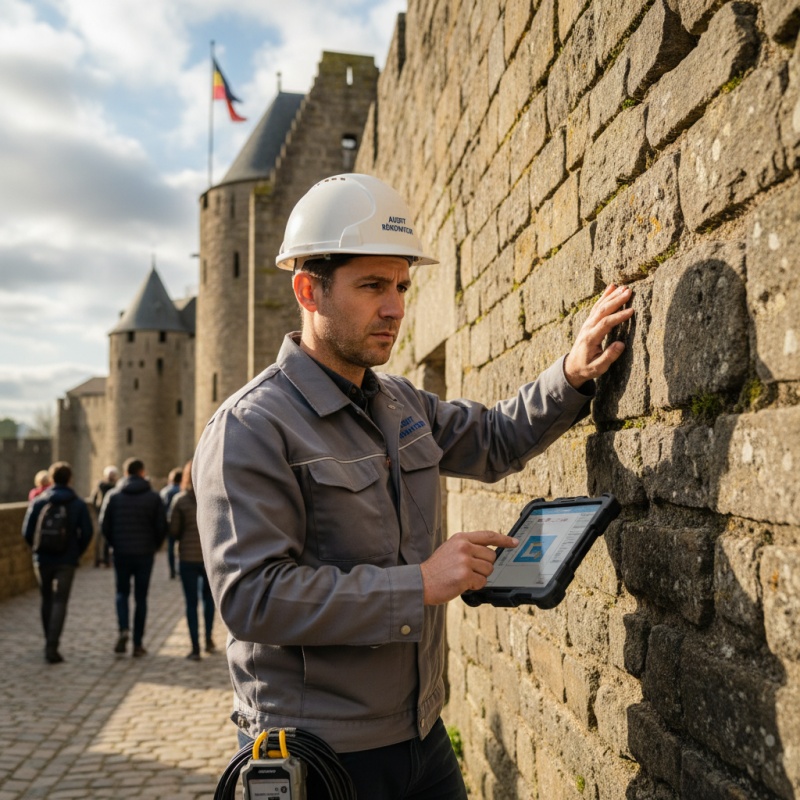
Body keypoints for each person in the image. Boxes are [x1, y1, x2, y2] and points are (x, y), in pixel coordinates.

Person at [192, 173, 634, 798]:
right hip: (318, 757)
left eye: (401, 284)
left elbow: (494, 438)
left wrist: (570, 372)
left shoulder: (399, 402)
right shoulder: (250, 427)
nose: (396, 307)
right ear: (307, 289)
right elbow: (253, 599)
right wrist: (420, 584)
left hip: (423, 739)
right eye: (372, 285)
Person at [21, 461, 93, 663]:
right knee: (60, 601)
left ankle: (48, 641)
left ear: (51, 479)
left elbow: (26, 531)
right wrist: (76, 551)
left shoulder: (39, 501)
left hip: (43, 558)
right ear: (70, 479)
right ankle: (52, 645)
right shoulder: (77, 503)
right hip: (66, 559)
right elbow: (87, 532)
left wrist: (37, 549)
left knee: (46, 599)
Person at [100, 457, 167, 657]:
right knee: (141, 598)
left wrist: (114, 544)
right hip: (144, 553)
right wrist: (153, 545)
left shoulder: (113, 495)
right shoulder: (154, 497)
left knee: (121, 593)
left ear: (125, 473)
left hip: (121, 552)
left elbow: (104, 525)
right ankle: (137, 644)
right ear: (141, 472)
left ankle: (123, 629)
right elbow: (162, 527)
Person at [167, 459, 216, 660]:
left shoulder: (180, 500)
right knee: (209, 600)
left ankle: (195, 647)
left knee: (190, 603)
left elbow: (173, 531)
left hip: (187, 557)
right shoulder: (212, 496)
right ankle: (208, 638)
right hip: (209, 558)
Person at [90, 465, 118, 567]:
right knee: (102, 538)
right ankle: (101, 560)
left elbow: (93, 499)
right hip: (106, 513)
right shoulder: (106, 486)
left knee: (104, 538)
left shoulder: (111, 486)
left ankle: (104, 560)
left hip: (106, 513)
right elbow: (93, 499)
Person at [160, 466, 183, 579]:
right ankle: (181, 568)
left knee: (170, 548)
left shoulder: (165, 491)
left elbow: (161, 509)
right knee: (182, 547)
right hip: (183, 523)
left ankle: (172, 570)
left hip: (169, 523)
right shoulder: (182, 491)